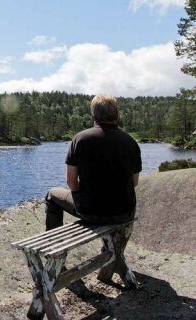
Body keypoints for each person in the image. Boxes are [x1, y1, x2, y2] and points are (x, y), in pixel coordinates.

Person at [44, 94, 141, 287]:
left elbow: (71, 183)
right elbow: (134, 183)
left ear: (93, 117)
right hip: (124, 213)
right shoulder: (131, 142)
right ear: (117, 116)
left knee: (52, 195)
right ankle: (112, 257)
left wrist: (86, 197)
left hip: (92, 212)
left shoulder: (81, 139)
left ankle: (54, 253)